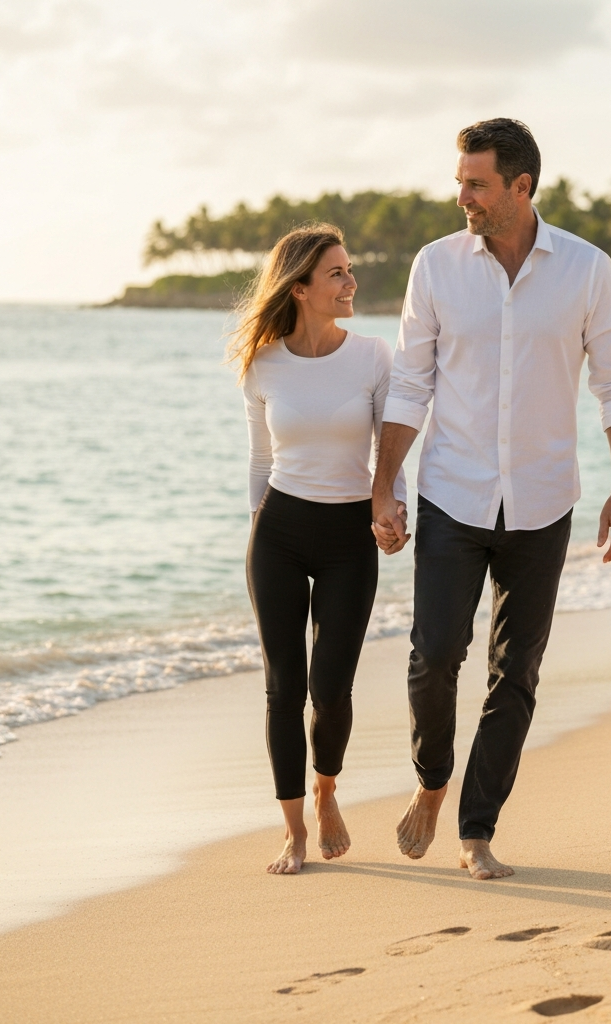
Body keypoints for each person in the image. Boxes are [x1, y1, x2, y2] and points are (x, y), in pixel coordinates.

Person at [371, 119, 611, 880]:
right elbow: (411, 381)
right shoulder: (437, 266)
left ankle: (476, 830)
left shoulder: (586, 270)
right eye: (461, 181)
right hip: (453, 493)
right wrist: (383, 482)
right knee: (433, 656)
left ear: (521, 187)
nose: (462, 196)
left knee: (516, 671)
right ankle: (432, 782)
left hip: (543, 501)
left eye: (477, 183)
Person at [229, 224, 406, 875]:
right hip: (277, 534)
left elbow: (392, 449)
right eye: (337, 273)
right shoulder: (263, 364)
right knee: (285, 687)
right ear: (299, 288)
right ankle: (295, 829)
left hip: (347, 538)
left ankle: (328, 789)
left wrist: (393, 507)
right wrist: (258, 527)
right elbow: (259, 459)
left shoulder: (372, 357)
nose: (351, 281)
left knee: (329, 689)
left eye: (349, 270)